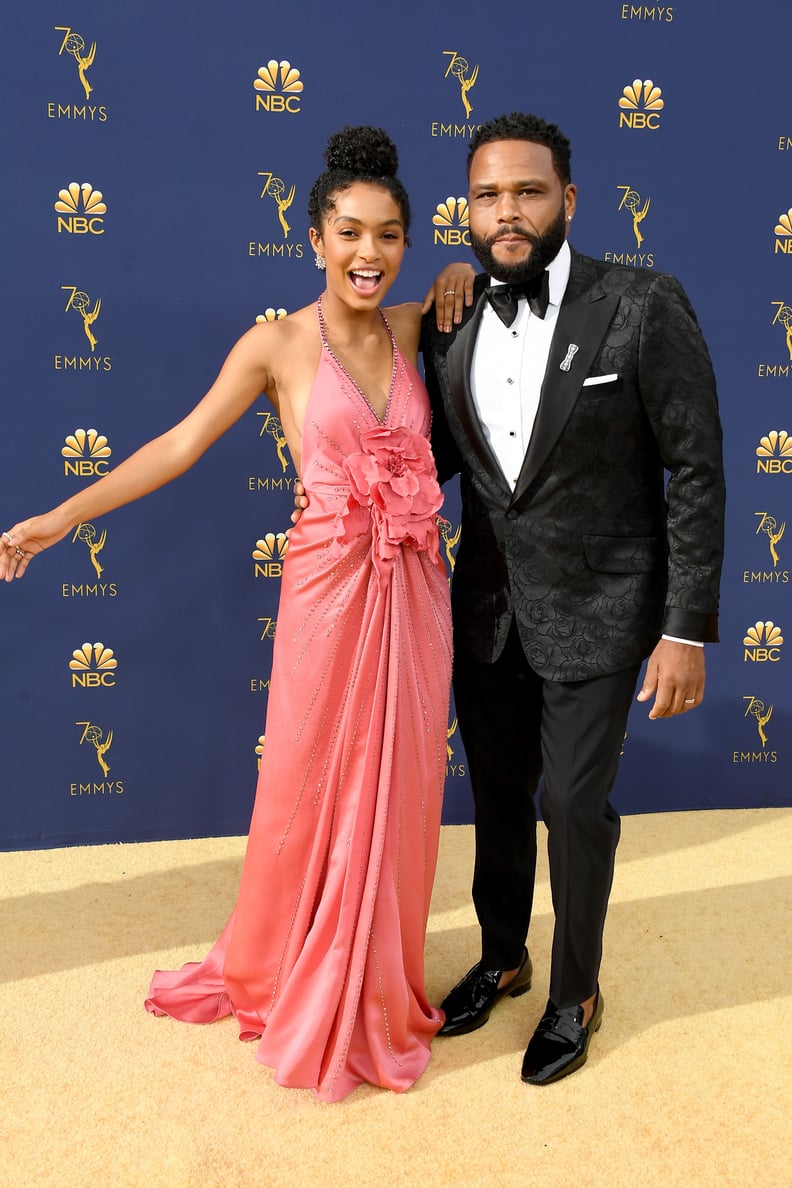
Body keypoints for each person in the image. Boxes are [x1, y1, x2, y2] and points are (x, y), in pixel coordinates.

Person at [0, 127, 474, 1101]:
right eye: (349, 232)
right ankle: (283, 964)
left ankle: (373, 976)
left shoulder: (417, 326)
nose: (369, 254)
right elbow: (178, 446)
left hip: (416, 592)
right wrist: (59, 517)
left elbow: (500, 294)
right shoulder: (278, 344)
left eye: (390, 235)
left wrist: (466, 266)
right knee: (307, 781)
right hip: (327, 593)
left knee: (398, 782)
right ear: (314, 238)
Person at [420, 112, 726, 1085]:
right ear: (466, 210)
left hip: (602, 605)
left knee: (574, 802)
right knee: (499, 798)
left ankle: (574, 991)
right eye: (488, 195)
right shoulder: (452, 317)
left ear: (569, 200)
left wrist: (685, 628)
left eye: (528, 192)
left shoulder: (640, 303)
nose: (507, 212)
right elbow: (437, 463)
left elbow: (698, 468)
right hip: (488, 609)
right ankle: (504, 954)